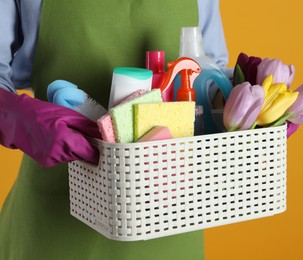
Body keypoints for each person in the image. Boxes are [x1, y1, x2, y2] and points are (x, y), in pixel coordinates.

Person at [0, 0, 228, 259]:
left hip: (170, 217)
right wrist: (15, 117)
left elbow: (211, 78)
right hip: (55, 219)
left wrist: (252, 104)